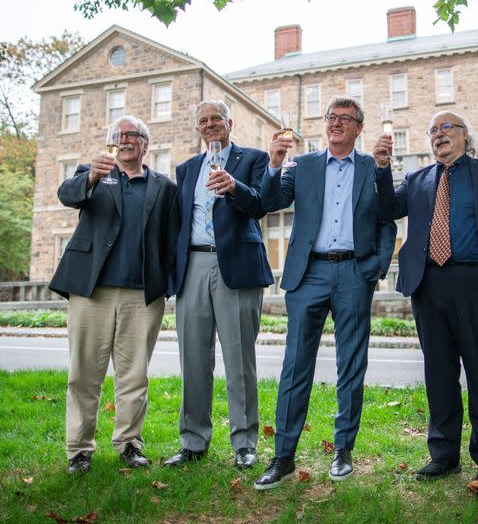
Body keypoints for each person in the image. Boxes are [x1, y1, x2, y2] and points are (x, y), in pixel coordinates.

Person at [373, 111, 478, 491]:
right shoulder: (419, 179)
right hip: (429, 284)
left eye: (446, 128)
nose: (439, 135)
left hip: (476, 280)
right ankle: (443, 455)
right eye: (433, 130)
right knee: (438, 372)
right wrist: (380, 168)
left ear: (464, 135)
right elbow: (386, 208)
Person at [254, 96, 396, 490]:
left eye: (344, 119)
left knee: (351, 364)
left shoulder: (372, 166)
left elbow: (388, 218)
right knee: (295, 364)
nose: (335, 123)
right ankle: (283, 456)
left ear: (359, 128)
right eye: (331, 117)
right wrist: (274, 164)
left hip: (354, 271)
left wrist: (376, 267)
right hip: (309, 273)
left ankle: (343, 449)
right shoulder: (304, 165)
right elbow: (270, 202)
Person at [49, 115, 178, 474]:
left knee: (134, 375)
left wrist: (167, 286)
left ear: (145, 144)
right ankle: (79, 449)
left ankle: (129, 444)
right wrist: (90, 176)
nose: (124, 140)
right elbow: (65, 194)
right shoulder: (91, 175)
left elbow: (171, 241)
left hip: (143, 296)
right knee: (83, 373)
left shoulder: (164, 187)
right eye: (118, 135)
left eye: (132, 135)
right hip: (92, 291)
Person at [163, 100, 273, 470]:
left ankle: (245, 443)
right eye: (203, 120)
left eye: (216, 119)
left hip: (237, 266)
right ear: (197, 127)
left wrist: (235, 187)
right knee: (193, 358)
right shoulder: (186, 168)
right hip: (192, 264)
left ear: (230, 122)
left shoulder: (254, 159)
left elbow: (261, 204)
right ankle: (193, 441)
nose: (210, 125)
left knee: (239, 358)